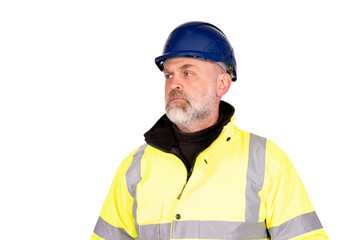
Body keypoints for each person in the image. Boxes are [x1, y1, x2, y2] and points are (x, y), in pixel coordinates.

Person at [91, 21, 328, 240]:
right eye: (169, 75)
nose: (175, 83)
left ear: (222, 84)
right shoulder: (135, 167)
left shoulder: (265, 161)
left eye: (188, 72)